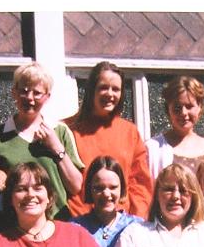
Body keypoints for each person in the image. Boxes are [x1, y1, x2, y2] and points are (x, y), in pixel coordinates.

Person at [0, 62, 84, 220]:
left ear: (47, 97)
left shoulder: (59, 131)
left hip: (56, 222)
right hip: (14, 225)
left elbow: (76, 186)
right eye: (23, 91)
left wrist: (56, 147)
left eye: (36, 93)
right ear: (14, 93)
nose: (29, 98)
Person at [65, 61, 153, 218]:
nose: (110, 94)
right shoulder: (67, 130)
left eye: (116, 89)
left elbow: (140, 185)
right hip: (78, 222)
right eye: (103, 87)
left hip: (120, 224)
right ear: (92, 89)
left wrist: (137, 222)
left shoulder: (129, 131)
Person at [145, 75, 204, 179]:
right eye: (177, 107)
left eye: (189, 106)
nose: (183, 113)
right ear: (168, 109)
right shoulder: (153, 148)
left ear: (200, 107)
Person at [72, 156, 143, 247]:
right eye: (99, 188)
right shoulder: (76, 228)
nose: (106, 194)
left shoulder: (137, 226)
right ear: (90, 189)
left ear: (121, 188)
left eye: (113, 187)